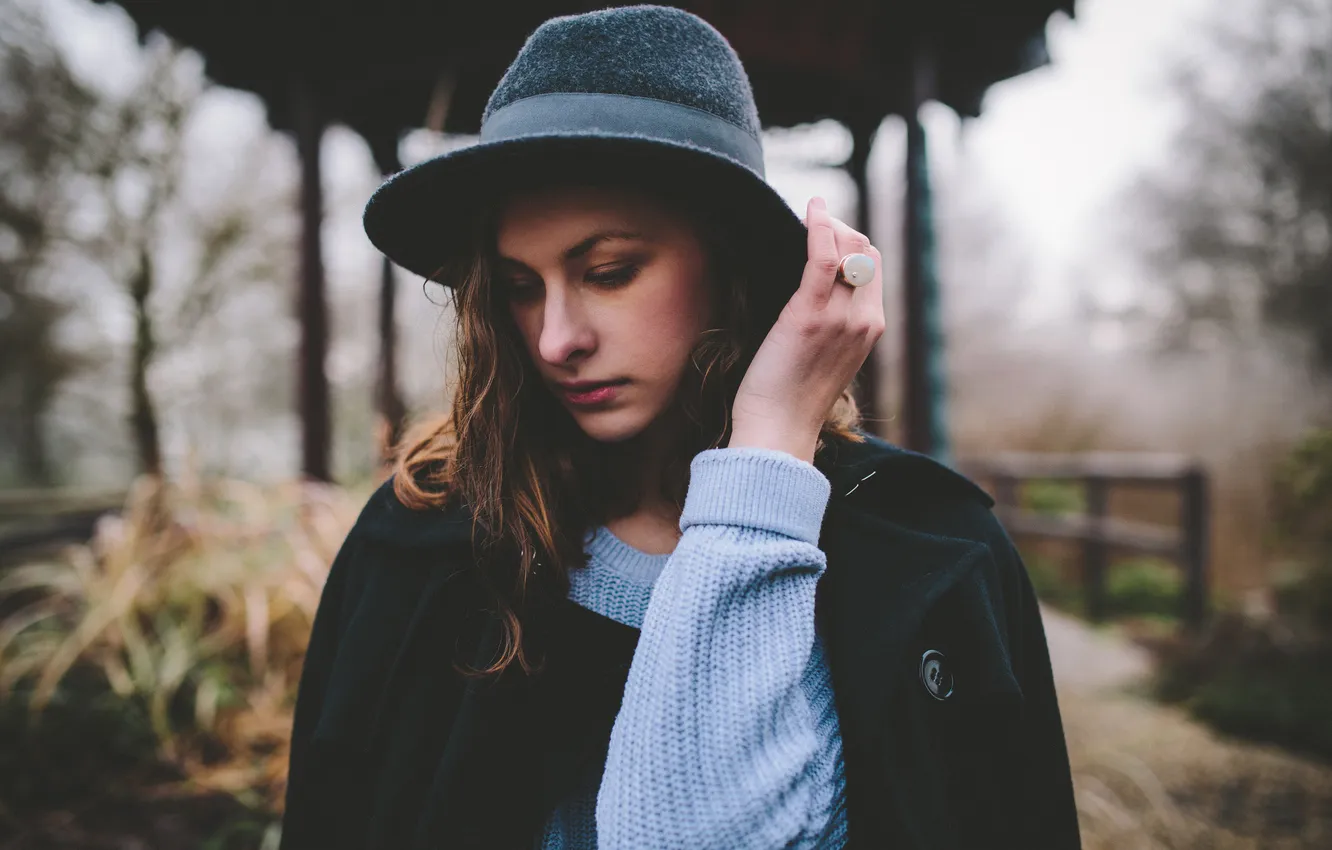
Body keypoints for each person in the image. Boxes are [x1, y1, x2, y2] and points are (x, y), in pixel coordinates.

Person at [278, 6, 1081, 850]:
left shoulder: (934, 553)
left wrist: (768, 445)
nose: (557, 339)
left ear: (731, 264)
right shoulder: (420, 546)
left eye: (610, 271)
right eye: (519, 286)